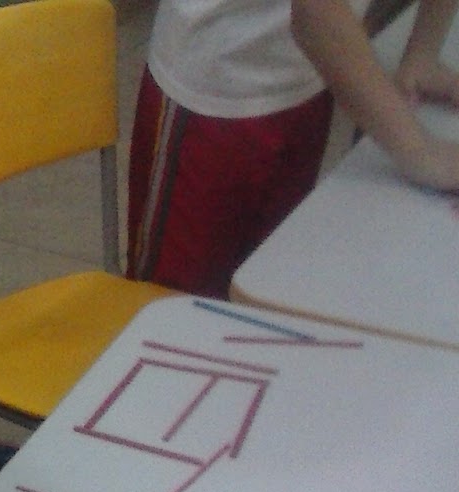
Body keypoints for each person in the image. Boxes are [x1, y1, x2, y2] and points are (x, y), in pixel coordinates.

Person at [127, 0, 459, 298]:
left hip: (305, 75)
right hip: (217, 94)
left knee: (268, 286)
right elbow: (314, 16)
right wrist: (420, 152)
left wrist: (423, 53)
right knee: (173, 308)